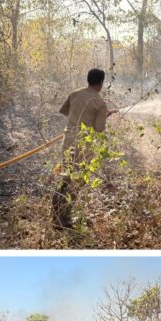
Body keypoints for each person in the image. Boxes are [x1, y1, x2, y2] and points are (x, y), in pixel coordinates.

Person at [53, 68, 117, 229]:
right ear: (101, 83)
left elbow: (63, 110)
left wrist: (77, 119)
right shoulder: (100, 103)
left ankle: (56, 215)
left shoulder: (75, 93)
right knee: (77, 181)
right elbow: (98, 129)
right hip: (83, 146)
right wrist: (103, 115)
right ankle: (63, 219)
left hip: (68, 141)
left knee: (66, 177)